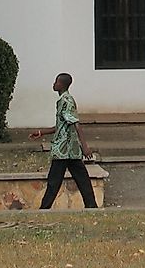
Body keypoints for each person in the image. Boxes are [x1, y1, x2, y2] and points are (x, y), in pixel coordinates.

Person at [29, 72, 98, 209]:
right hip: (69, 150)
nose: (54, 84)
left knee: (54, 181)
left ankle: (44, 209)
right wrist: (41, 132)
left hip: (63, 149)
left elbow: (75, 123)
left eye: (56, 82)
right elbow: (61, 125)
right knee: (82, 179)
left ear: (62, 84)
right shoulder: (64, 100)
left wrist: (85, 146)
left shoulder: (65, 101)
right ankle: (92, 207)